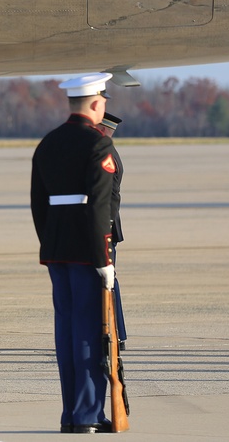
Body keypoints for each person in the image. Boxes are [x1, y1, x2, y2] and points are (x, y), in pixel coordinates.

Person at [30, 72, 116, 434]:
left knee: (65, 331)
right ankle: (86, 415)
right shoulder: (97, 144)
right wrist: (104, 259)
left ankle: (71, 413)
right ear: (96, 104)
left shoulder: (48, 142)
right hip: (86, 251)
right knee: (88, 332)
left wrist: (50, 241)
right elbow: (98, 207)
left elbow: (38, 204)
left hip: (56, 249)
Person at [99, 111, 127, 350]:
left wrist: (104, 228)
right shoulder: (107, 152)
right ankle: (116, 334)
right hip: (105, 226)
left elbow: (111, 197)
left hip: (105, 228)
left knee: (108, 281)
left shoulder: (107, 155)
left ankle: (116, 334)